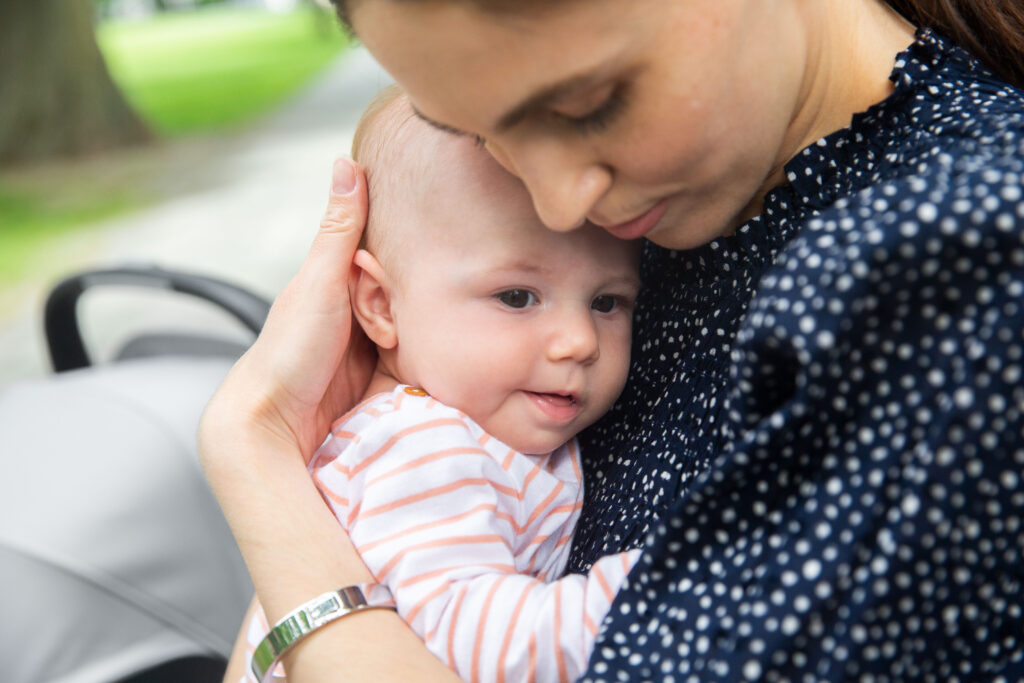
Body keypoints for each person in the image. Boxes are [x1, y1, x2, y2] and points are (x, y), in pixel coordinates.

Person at [201, 0, 1024, 680]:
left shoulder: (961, 263)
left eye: (586, 103)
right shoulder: (662, 212)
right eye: (487, 134)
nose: (559, 203)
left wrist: (259, 451)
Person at [235, 87, 643, 682]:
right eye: (517, 297)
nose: (579, 340)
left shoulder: (474, 426)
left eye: (607, 301)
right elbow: (483, 645)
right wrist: (666, 576)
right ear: (380, 304)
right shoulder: (418, 447)